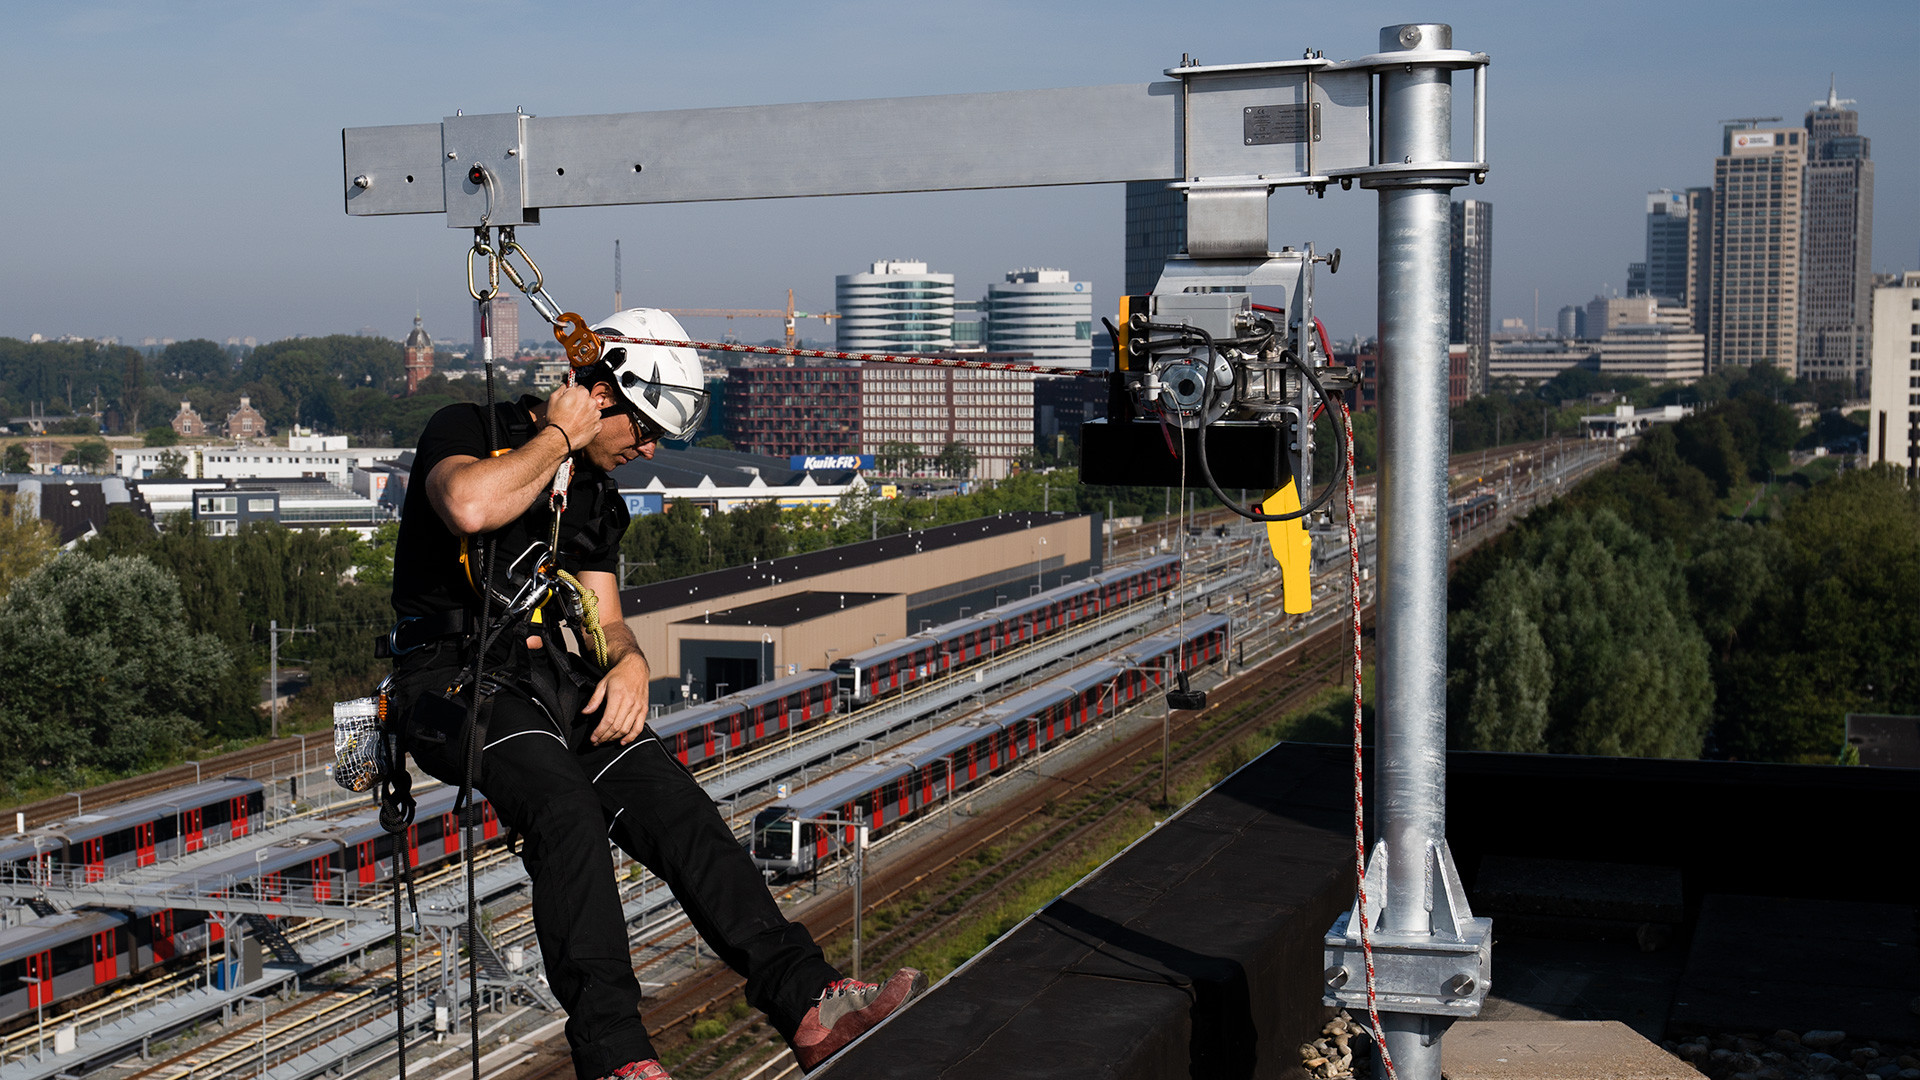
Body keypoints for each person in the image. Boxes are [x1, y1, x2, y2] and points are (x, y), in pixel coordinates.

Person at [383, 309, 922, 1079]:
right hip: (448, 681)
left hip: (546, 679)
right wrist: (559, 438)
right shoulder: (465, 426)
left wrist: (630, 664)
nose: (647, 450)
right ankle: (618, 1059)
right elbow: (471, 505)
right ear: (598, 394)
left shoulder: (595, 498)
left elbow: (605, 619)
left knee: (678, 810)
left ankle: (808, 1005)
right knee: (564, 809)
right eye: (641, 429)